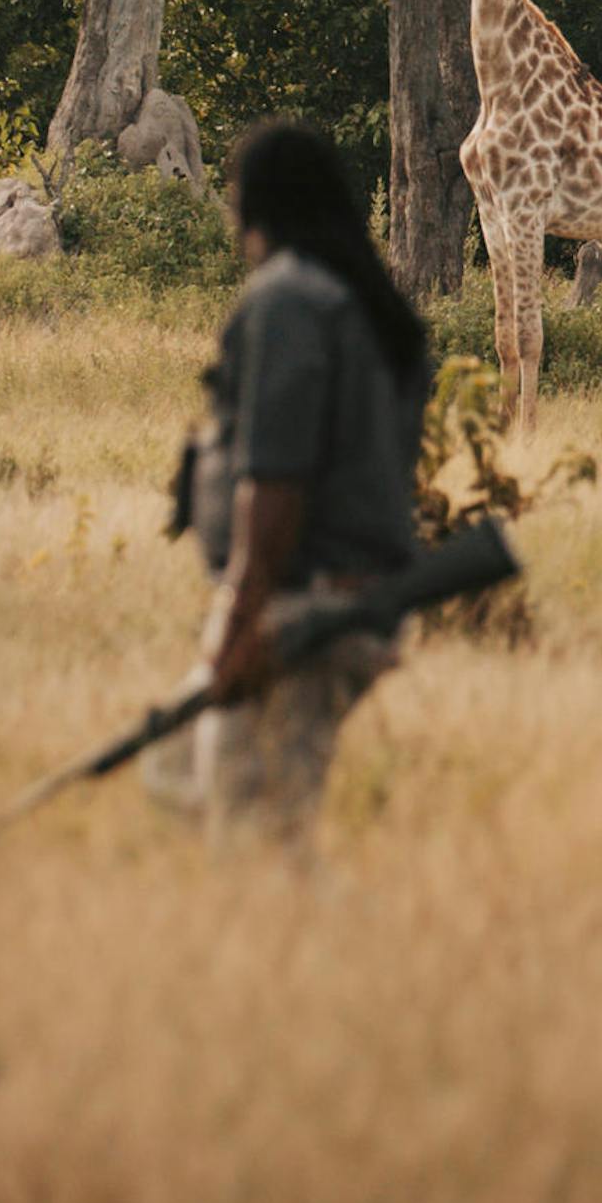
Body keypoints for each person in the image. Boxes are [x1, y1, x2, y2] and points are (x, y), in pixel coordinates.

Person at [146, 122, 431, 849]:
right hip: (355, 599)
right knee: (175, 769)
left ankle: (315, 956)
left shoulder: (288, 302)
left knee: (259, 833)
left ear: (254, 203)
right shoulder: (369, 307)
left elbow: (276, 482)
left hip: (302, 602)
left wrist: (244, 624)